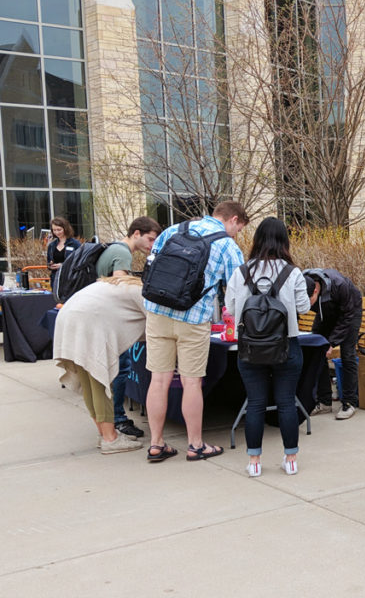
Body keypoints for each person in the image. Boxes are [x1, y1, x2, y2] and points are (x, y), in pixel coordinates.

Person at [143, 201, 248, 463]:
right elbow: (238, 289)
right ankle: (196, 445)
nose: (236, 234)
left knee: (158, 380)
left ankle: (156, 444)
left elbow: (150, 267)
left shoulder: (174, 230)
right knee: (192, 382)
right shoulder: (226, 245)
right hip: (193, 317)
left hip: (157, 311)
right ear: (233, 219)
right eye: (239, 228)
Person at [225, 217, 310, 477]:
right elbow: (304, 308)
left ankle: (254, 463)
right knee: (286, 402)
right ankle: (291, 459)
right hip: (287, 345)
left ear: (257, 240)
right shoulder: (292, 272)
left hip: (250, 348)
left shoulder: (241, 272)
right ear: (284, 240)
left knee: (256, 403)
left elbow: (229, 308)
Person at [53, 276, 148, 454]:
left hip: (69, 317)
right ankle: (110, 439)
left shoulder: (121, 283)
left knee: (88, 381)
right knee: (99, 380)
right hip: (86, 322)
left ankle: (104, 433)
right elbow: (155, 325)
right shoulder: (142, 292)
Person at [93, 216, 163, 440]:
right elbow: (120, 287)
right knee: (121, 369)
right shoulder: (122, 253)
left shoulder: (114, 249)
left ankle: (112, 418)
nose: (151, 245)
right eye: (150, 239)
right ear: (136, 234)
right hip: (112, 320)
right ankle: (119, 419)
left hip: (102, 317)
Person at [302, 268, 362, 419]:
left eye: (307, 301)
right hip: (325, 311)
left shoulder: (339, 285)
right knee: (316, 350)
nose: (305, 306)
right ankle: (324, 402)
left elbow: (346, 318)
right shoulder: (302, 283)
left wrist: (332, 342)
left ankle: (350, 402)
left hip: (349, 311)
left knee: (347, 354)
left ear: (315, 290)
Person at [46, 217, 82, 284]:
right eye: (54, 230)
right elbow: (48, 262)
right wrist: (50, 265)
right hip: (56, 279)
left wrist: (63, 266)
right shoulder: (51, 245)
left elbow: (80, 262)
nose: (57, 232)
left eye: (59, 230)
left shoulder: (75, 244)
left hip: (70, 279)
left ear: (65, 229)